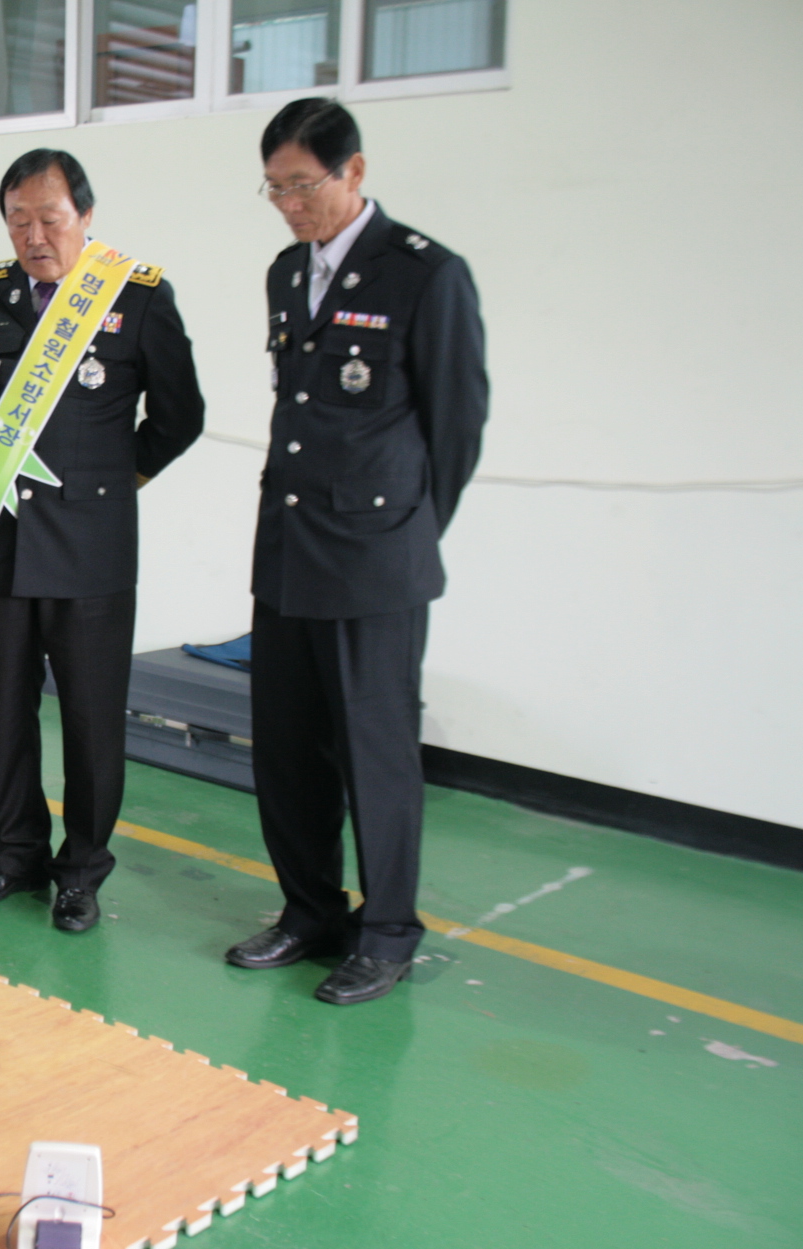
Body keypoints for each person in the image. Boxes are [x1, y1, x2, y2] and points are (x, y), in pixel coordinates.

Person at [225, 99, 487, 1004]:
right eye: (275, 189)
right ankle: (310, 913)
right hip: (288, 551)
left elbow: (456, 429)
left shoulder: (425, 275)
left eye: (304, 185)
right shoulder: (285, 274)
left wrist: (402, 535)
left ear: (355, 172)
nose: (290, 205)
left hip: (375, 561)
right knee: (286, 751)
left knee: (375, 755)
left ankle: (387, 933)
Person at [0, 150, 204, 933]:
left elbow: (180, 415)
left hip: (93, 550)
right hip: (3, 539)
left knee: (92, 721)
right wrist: (4, 467)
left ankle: (82, 870)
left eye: (50, 219)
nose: (34, 236)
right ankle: (14, 854)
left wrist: (115, 481)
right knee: (4, 711)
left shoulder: (137, 297)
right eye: (17, 221)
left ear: (85, 217)